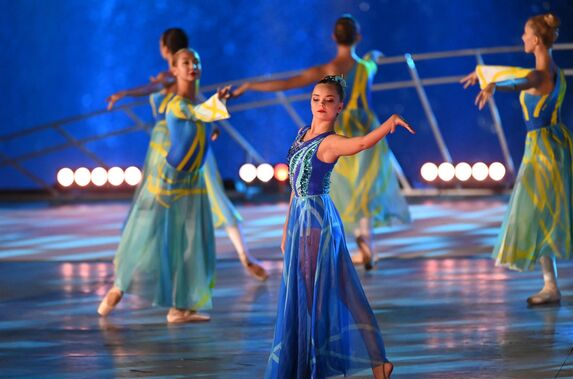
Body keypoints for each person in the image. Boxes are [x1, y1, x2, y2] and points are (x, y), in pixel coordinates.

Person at [266, 75, 415, 379]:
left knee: (312, 296)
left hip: (316, 221)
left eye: (329, 101)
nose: (321, 105)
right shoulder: (302, 134)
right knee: (336, 291)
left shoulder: (330, 143)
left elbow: (360, 144)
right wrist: (285, 228)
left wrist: (387, 124)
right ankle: (377, 363)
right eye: (317, 98)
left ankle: (308, 377)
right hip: (300, 222)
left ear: (339, 107)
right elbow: (294, 187)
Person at [232, 15, 411, 270]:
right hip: (366, 126)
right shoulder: (367, 67)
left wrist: (250, 85)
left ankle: (344, 244)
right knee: (367, 187)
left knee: (331, 185)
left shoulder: (326, 72)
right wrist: (373, 55)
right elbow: (371, 61)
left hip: (337, 131)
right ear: (357, 37)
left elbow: (286, 83)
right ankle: (367, 241)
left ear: (333, 38)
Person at [107, 28, 268, 281]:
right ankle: (242, 254)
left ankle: (135, 262)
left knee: (157, 201)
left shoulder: (170, 75)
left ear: (163, 48)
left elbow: (163, 91)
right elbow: (197, 105)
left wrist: (125, 93)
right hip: (196, 139)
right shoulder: (184, 75)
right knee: (211, 196)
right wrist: (212, 125)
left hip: (170, 146)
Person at [461, 13, 573, 305]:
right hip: (556, 144)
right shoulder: (555, 71)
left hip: (543, 152)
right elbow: (516, 73)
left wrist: (493, 85)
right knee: (543, 213)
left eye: (525, 34)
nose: (522, 38)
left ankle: (551, 286)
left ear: (536, 40)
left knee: (535, 212)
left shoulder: (537, 75)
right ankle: (550, 285)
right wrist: (485, 75)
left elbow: (519, 81)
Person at [98, 48, 231, 322]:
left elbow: (205, 118)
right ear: (174, 70)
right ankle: (119, 286)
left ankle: (181, 307)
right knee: (147, 230)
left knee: (193, 243)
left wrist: (214, 126)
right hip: (169, 180)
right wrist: (217, 105)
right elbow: (195, 114)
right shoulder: (177, 102)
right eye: (186, 62)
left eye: (196, 61)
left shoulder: (200, 100)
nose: (193, 65)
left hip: (194, 180)